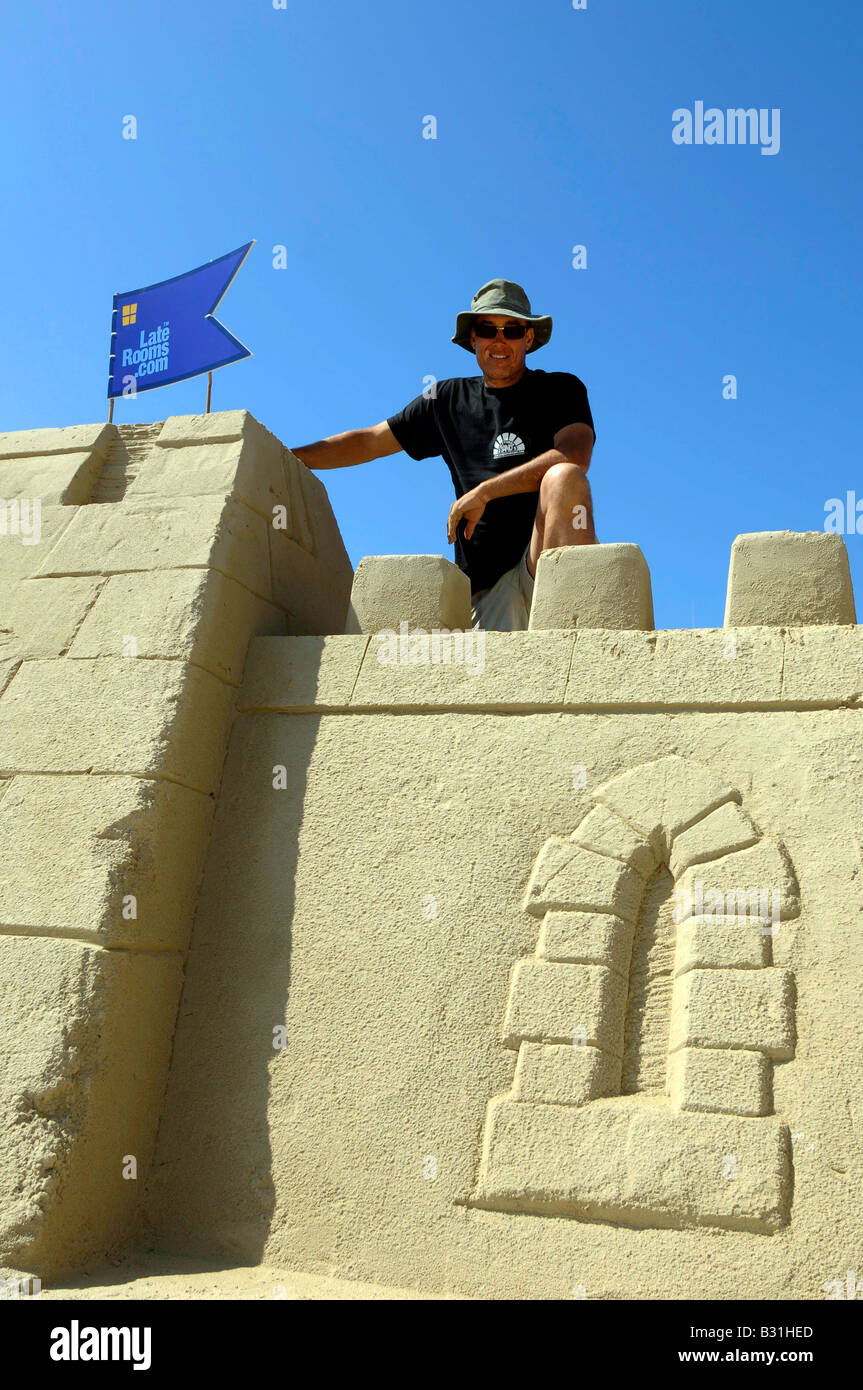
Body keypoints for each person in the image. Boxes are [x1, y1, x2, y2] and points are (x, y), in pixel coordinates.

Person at [291, 278, 597, 630]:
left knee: (564, 479)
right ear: (473, 338)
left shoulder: (560, 390)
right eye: (488, 328)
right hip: (485, 590)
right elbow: (370, 441)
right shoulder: (447, 400)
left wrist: (485, 491)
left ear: (528, 338)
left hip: (542, 568)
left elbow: (574, 456)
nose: (499, 340)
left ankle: (576, 638)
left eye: (511, 329)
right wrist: (285, 457)